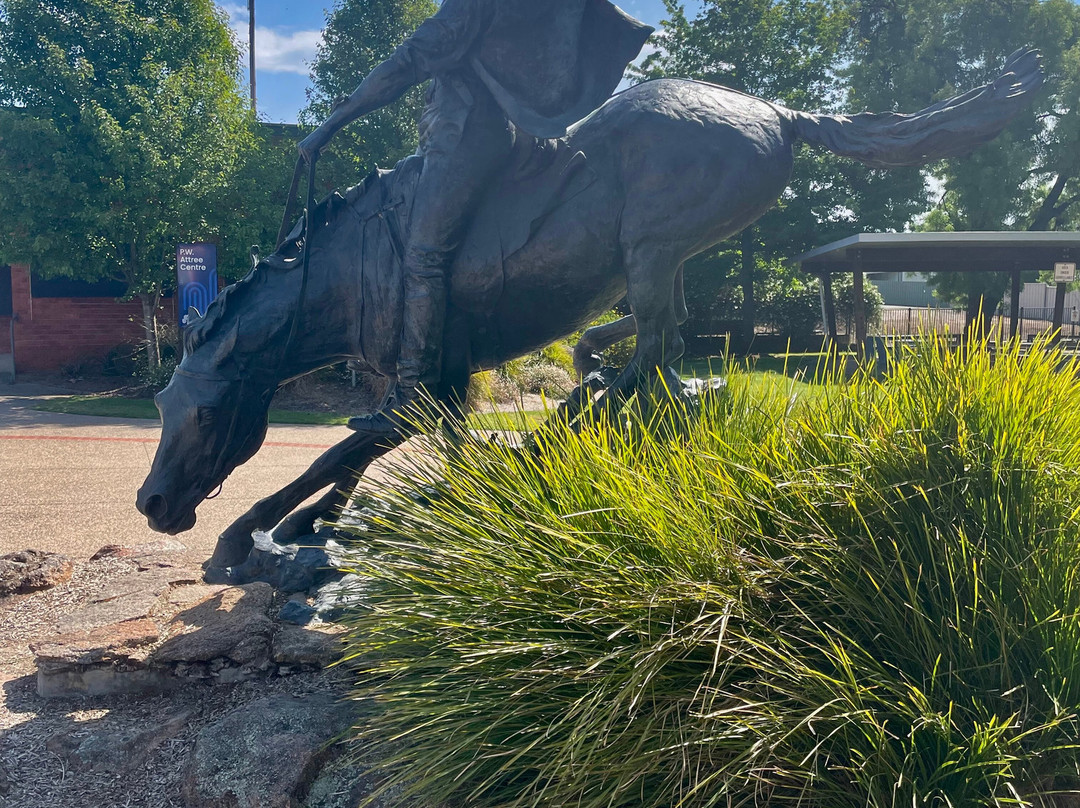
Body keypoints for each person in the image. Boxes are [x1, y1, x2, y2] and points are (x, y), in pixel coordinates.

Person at [299, 0, 652, 435]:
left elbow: (408, 60)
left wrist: (332, 124)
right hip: (471, 135)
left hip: (464, 135)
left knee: (423, 257)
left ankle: (414, 394)